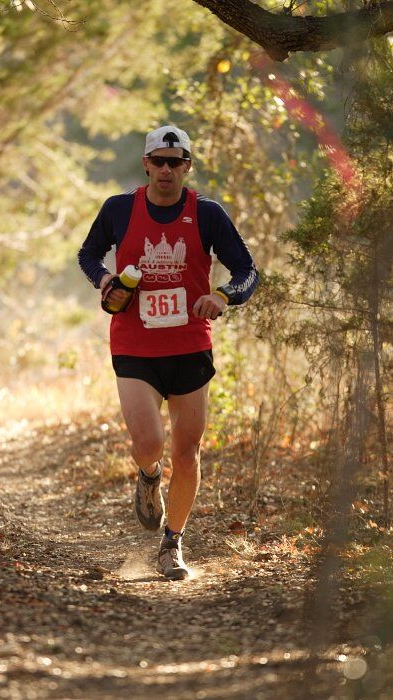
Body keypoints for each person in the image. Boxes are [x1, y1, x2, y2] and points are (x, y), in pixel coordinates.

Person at [78, 125, 258, 581]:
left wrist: (222, 296)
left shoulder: (208, 214)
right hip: (135, 343)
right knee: (149, 444)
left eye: (175, 162)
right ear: (145, 164)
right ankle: (147, 476)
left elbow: (246, 270)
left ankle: (172, 545)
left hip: (189, 344)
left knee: (188, 451)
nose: (165, 169)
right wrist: (104, 281)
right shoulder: (120, 209)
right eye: (158, 160)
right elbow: (88, 254)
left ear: (187, 167)